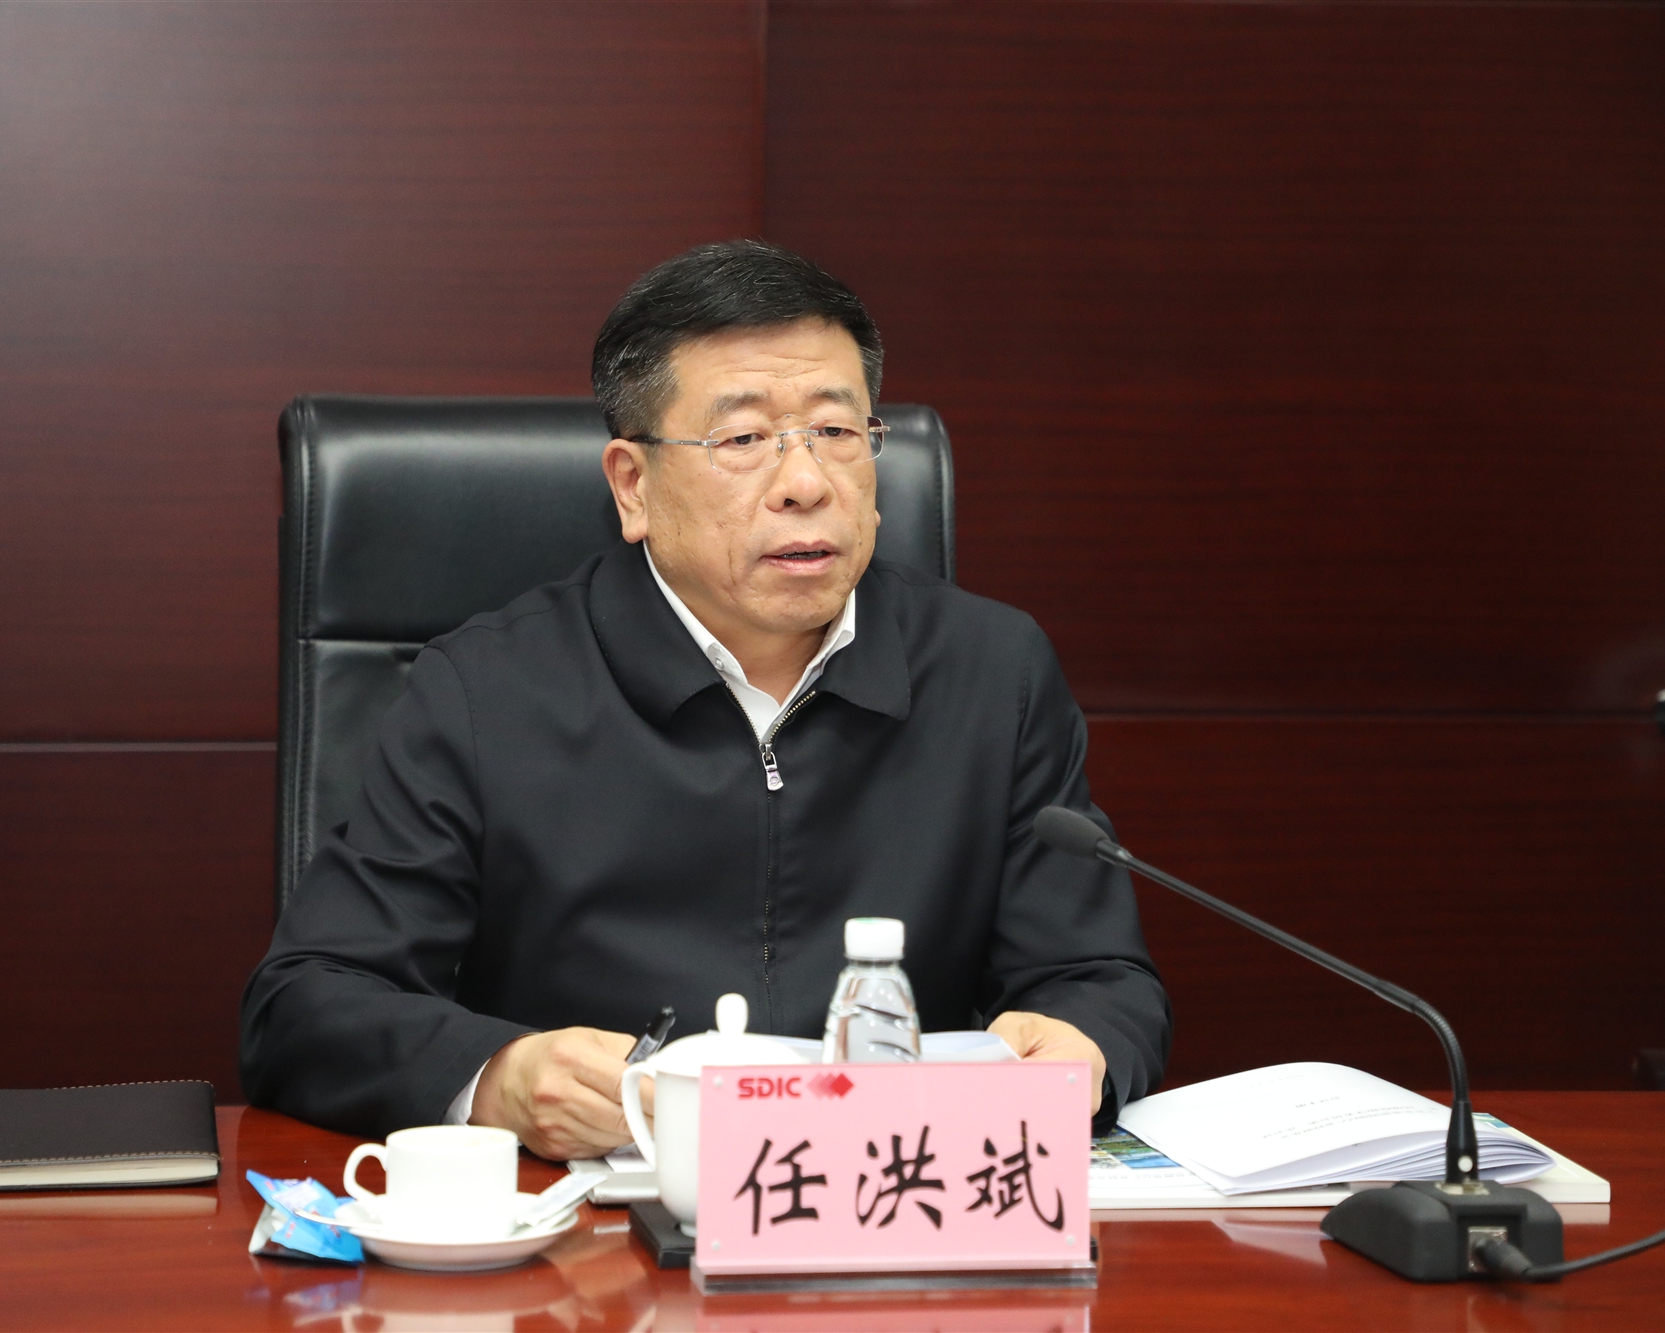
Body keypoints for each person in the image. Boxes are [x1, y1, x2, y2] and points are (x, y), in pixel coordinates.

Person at [240, 240, 1171, 1157]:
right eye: (744, 440)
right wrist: (500, 1077)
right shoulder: (486, 690)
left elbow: (1100, 977)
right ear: (633, 485)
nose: (805, 484)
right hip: (597, 1221)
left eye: (837, 432)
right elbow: (306, 1003)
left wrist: (1084, 1042)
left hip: (891, 1193)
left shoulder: (992, 671)